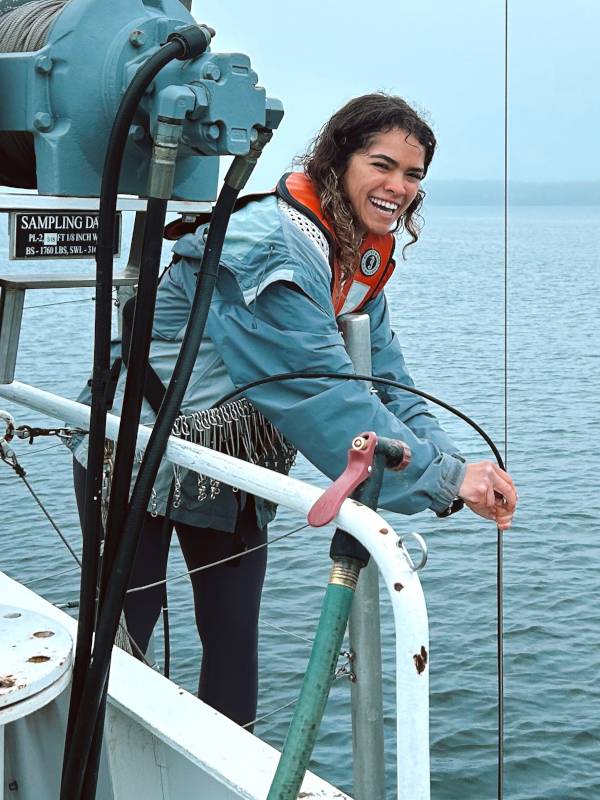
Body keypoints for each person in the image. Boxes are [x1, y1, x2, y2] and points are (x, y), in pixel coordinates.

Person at [70, 92, 517, 729]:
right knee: (124, 636)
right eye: (381, 164)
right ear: (338, 159)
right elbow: (320, 397)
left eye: (413, 175)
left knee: (231, 637)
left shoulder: (355, 257)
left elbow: (387, 382)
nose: (399, 187)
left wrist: (455, 466)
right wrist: (445, 482)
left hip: (226, 458)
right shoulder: (274, 249)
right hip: (134, 444)